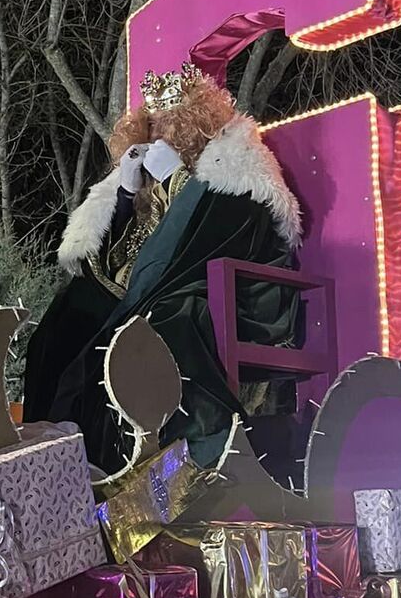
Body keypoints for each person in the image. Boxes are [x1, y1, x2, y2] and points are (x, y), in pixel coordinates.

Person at [24, 67, 302, 472]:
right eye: (154, 126)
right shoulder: (146, 179)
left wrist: (178, 180)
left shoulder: (237, 168)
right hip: (140, 291)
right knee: (66, 318)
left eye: (172, 126)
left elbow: (221, 234)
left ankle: (160, 468)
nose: (161, 135)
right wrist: (124, 193)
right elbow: (116, 257)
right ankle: (53, 462)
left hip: (206, 290)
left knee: (157, 326)